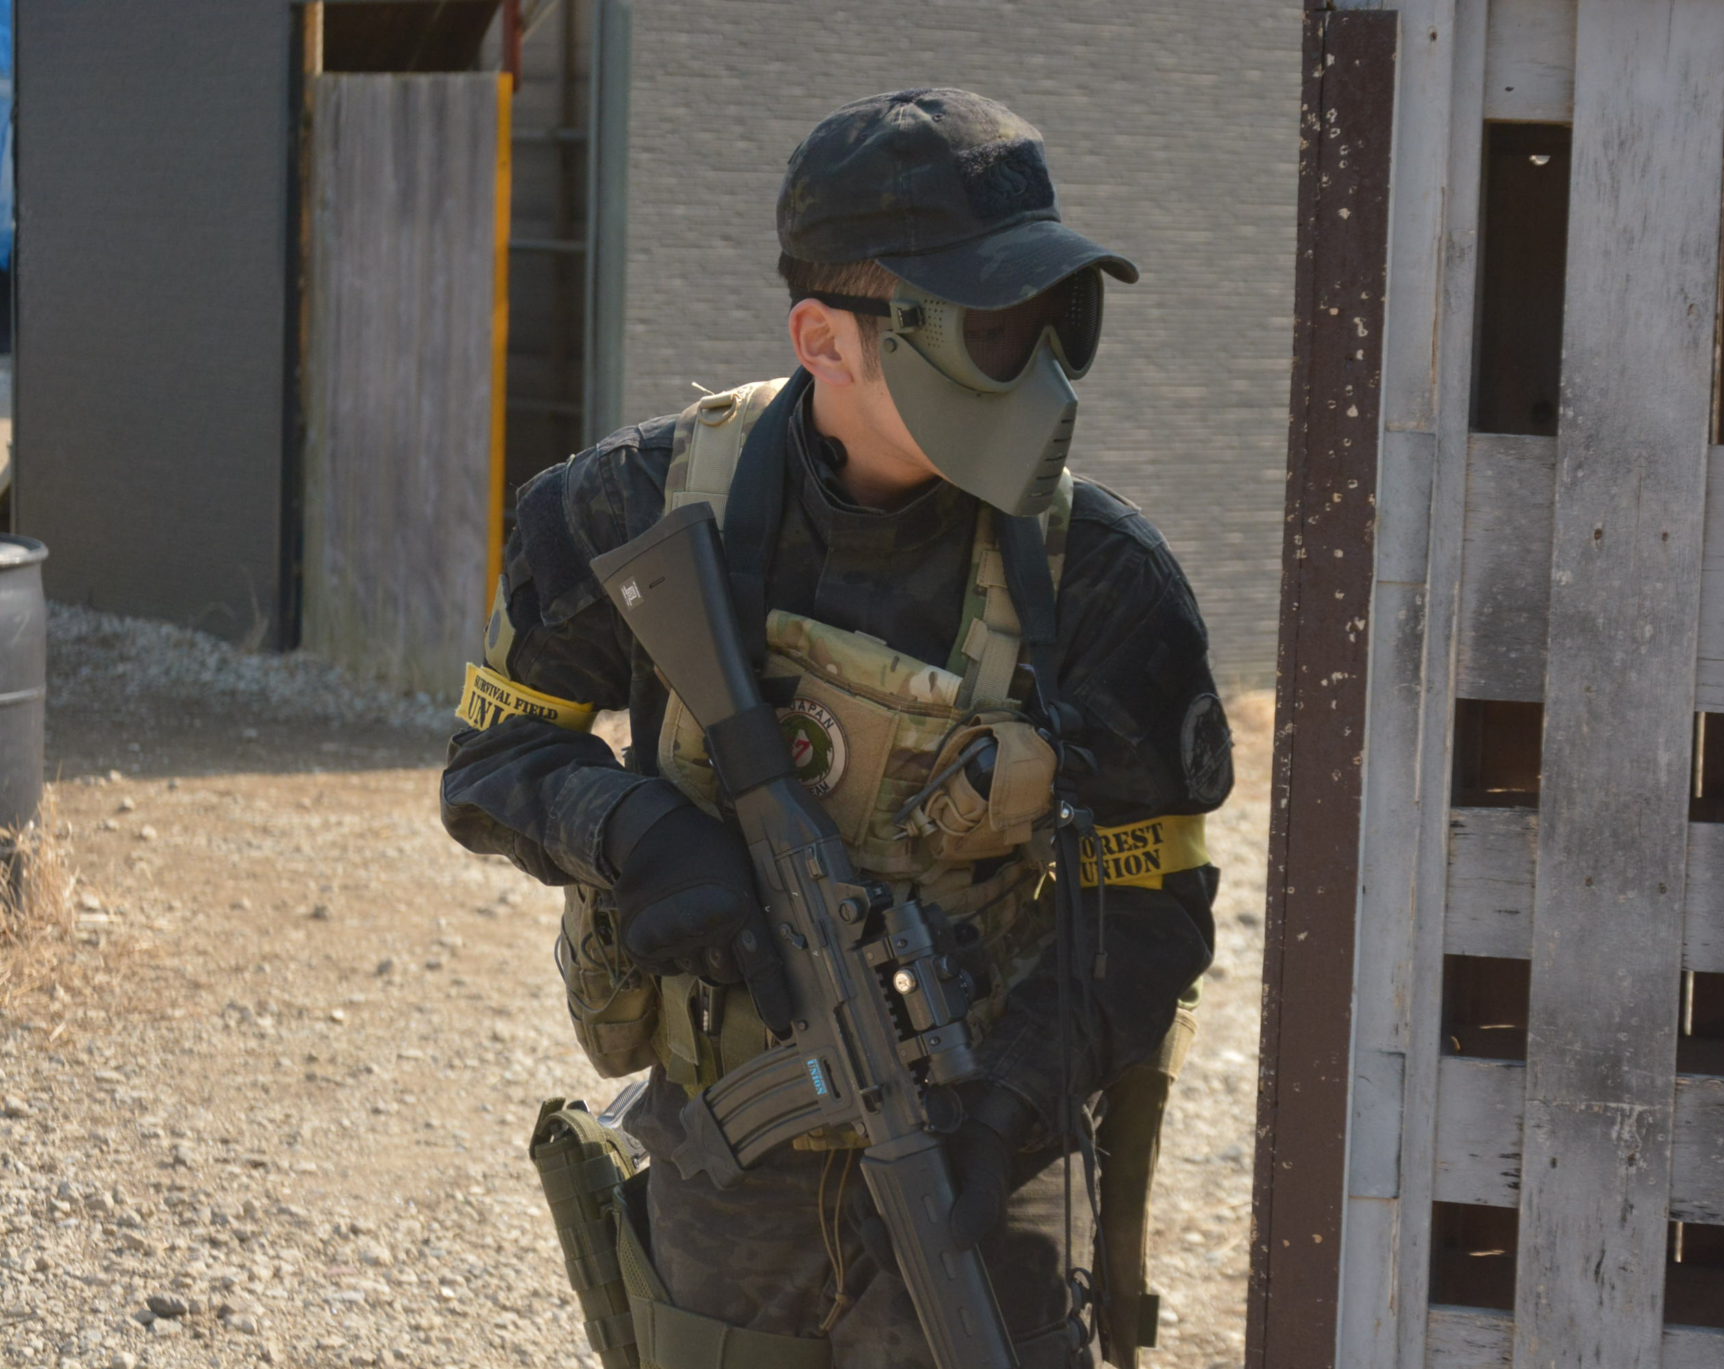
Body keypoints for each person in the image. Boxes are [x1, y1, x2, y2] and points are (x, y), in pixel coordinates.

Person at [441, 88, 1231, 1369]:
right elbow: (494, 760)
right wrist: (637, 833)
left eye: (1050, 318)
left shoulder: (1100, 580)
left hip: (983, 1140)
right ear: (825, 340)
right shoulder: (631, 509)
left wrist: (1012, 1107)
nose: (1029, 364)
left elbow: (1151, 900)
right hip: (730, 1148)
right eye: (986, 328)